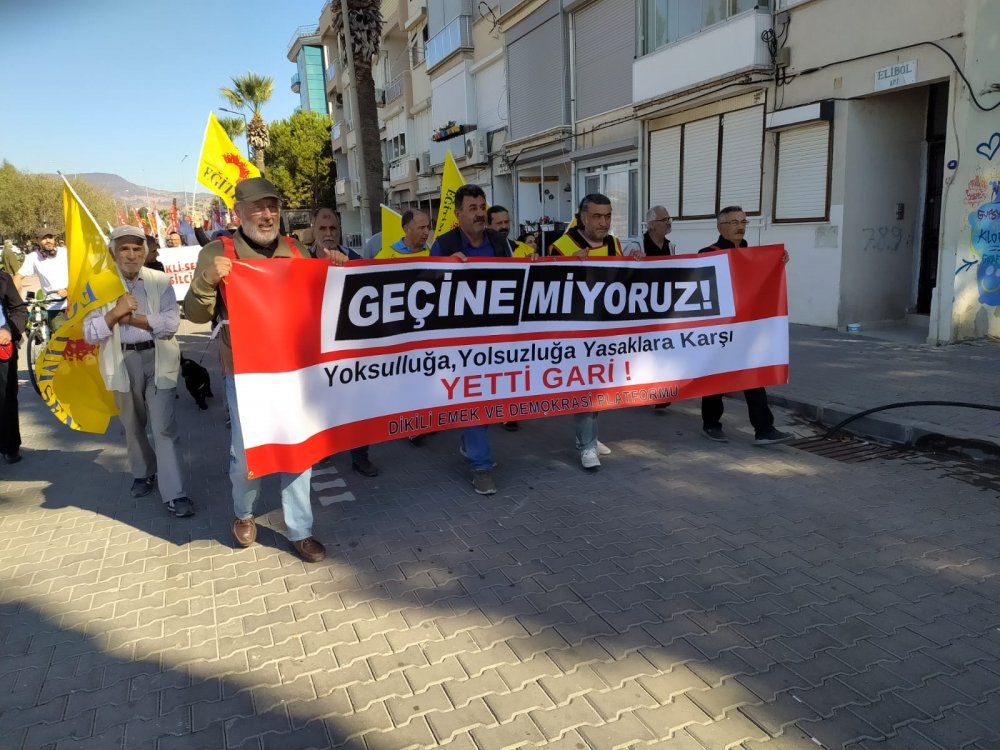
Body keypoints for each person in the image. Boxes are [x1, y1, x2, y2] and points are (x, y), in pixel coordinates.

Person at [184, 178, 345, 562]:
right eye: (258, 207)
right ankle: (244, 513)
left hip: (295, 371)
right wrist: (208, 280)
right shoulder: (216, 253)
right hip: (246, 373)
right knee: (245, 456)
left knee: (298, 451)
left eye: (272, 206)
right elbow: (194, 314)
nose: (267, 214)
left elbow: (321, 300)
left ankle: (300, 530)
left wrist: (338, 269)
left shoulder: (296, 250)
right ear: (238, 212)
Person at [83, 226, 194, 516]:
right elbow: (90, 334)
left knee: (164, 427)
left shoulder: (159, 280)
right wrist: (114, 313)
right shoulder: (98, 284)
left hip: (159, 358)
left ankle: (175, 493)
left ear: (145, 252)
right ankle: (143, 472)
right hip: (120, 361)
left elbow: (171, 325)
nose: (131, 254)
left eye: (137, 248)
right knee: (133, 425)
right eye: (124, 248)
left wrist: (130, 318)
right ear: (113, 253)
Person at [430, 184, 511, 495]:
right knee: (473, 395)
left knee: (490, 396)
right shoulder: (443, 245)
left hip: (495, 335)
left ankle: (469, 440)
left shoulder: (499, 242)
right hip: (461, 338)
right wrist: (445, 269)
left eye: (482, 207)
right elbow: (427, 288)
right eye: (473, 208)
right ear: (458, 214)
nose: (480, 213)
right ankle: (481, 465)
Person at [699, 205, 792, 446]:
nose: (740, 227)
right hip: (720, 329)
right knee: (716, 378)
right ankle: (711, 424)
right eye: (734, 222)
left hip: (746, 330)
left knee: (753, 377)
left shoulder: (753, 255)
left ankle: (764, 429)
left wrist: (777, 263)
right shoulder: (707, 253)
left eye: (743, 222)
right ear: (720, 227)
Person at [549, 194, 629, 470]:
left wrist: (637, 263)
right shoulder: (562, 247)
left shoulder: (614, 244)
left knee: (598, 386)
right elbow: (547, 291)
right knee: (585, 386)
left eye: (608, 216)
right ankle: (587, 445)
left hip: (605, 330)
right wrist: (566, 266)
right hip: (576, 332)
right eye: (597, 216)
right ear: (583, 218)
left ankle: (590, 437)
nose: (604, 222)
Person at [309, 207, 379, 478]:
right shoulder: (299, 259)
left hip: (348, 346)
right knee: (320, 401)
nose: (328, 234)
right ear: (313, 229)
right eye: (322, 228)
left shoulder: (355, 259)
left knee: (356, 402)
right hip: (314, 346)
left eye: (333, 229)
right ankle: (322, 446)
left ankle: (360, 457)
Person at [13, 230, 69, 326]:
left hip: (74, 303)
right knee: (60, 332)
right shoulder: (33, 257)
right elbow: (18, 276)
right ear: (37, 241)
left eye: (50, 237)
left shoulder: (66, 252)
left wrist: (68, 289)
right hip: (54, 307)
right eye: (44, 238)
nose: (48, 240)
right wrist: (14, 300)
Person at [0, 268, 26, 464]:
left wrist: (8, 329)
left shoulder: (2, 278)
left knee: (6, 398)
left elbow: (19, 309)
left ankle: (10, 445)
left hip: (2, 348)